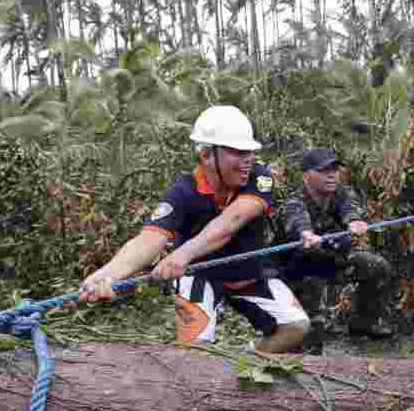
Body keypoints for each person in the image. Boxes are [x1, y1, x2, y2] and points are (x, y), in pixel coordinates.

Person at [78, 105, 311, 352]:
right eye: (238, 151)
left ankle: (249, 361)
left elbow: (232, 221)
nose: (247, 159)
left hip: (249, 271)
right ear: (206, 155)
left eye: (249, 152)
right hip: (199, 274)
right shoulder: (182, 192)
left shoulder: (260, 177)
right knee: (195, 351)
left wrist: (182, 253)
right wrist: (107, 275)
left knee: (296, 326)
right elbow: (148, 240)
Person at [280, 148, 395, 339]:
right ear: (307, 175)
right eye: (324, 170)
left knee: (377, 266)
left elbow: (349, 207)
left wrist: (354, 221)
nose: (331, 175)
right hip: (298, 271)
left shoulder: (340, 191)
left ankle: (364, 323)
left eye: (334, 169)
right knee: (311, 336)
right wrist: (306, 234)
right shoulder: (295, 198)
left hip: (331, 260)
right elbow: (297, 218)